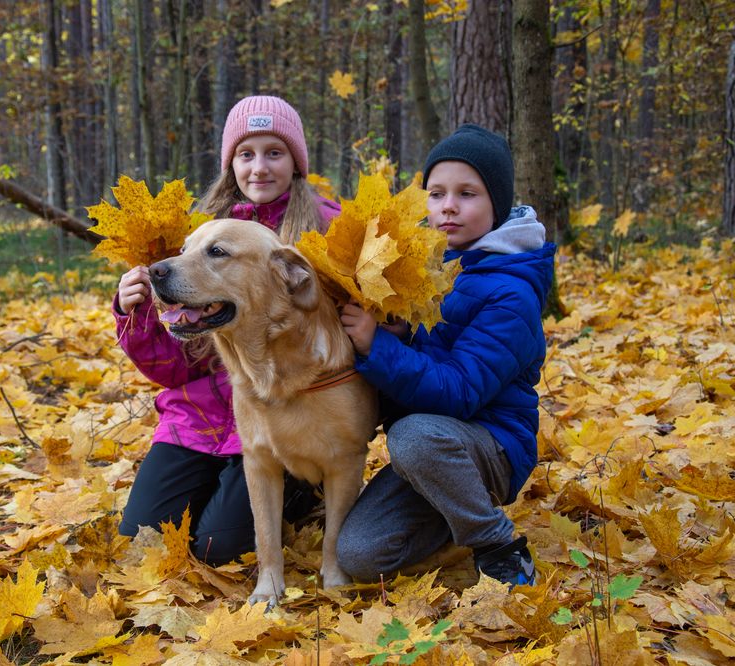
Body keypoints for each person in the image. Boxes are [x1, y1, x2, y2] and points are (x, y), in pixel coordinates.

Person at [113, 96, 340, 564]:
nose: (259, 167)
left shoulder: (327, 231)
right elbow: (171, 368)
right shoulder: (197, 236)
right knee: (141, 545)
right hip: (195, 419)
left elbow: (359, 326)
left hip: (286, 422)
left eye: (274, 152)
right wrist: (132, 312)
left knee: (217, 547)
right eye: (246, 153)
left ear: (296, 161)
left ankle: (302, 491)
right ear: (230, 163)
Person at [335, 124, 556, 586]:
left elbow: (458, 392)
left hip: (489, 446)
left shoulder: (510, 294)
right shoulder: (423, 268)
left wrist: (378, 345)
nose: (448, 206)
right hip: (433, 450)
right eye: (436, 194)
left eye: (467, 193)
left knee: (414, 437)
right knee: (359, 556)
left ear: (497, 203)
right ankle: (456, 515)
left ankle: (495, 544)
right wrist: (398, 333)